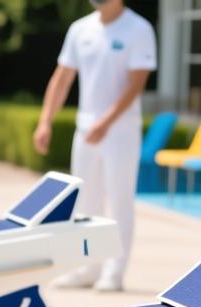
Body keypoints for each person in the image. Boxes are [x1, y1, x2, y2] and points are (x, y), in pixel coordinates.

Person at [32, 0, 157, 291]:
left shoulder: (139, 29)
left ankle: (114, 271)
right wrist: (45, 121)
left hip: (121, 132)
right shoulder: (80, 29)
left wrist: (106, 122)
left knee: (119, 200)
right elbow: (62, 78)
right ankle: (88, 267)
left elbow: (136, 83)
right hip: (85, 130)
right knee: (86, 200)